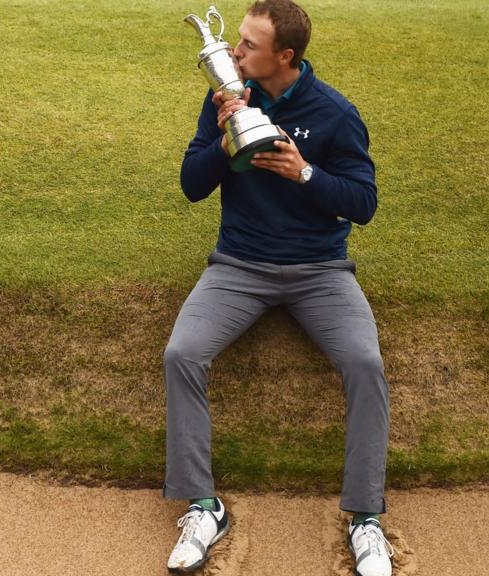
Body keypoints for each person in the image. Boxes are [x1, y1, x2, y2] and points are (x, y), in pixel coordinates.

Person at [163, 1, 394, 575]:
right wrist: (222, 142)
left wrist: (305, 173)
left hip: (321, 273)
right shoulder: (226, 97)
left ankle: (365, 518)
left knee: (365, 362)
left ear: (284, 56)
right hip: (238, 267)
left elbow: (363, 204)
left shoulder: (336, 113)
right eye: (237, 42)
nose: (235, 53)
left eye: (248, 46)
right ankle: (203, 507)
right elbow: (192, 186)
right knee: (182, 354)